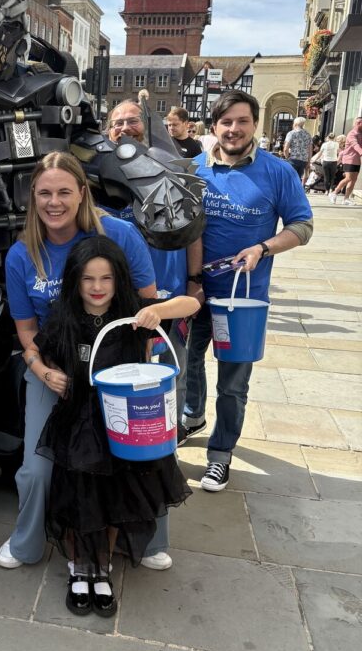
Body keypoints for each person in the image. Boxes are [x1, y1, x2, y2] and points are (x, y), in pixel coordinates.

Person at [0, 151, 157, 571]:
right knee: (36, 469)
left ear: (82, 193)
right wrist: (43, 371)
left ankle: (149, 538)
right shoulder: (21, 255)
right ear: (32, 197)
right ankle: (27, 542)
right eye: (45, 193)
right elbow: (26, 330)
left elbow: (147, 305)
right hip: (54, 371)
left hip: (114, 369)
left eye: (64, 191)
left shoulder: (119, 235)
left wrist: (136, 376)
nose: (55, 202)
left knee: (139, 453)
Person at [35, 236, 198, 615]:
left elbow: (191, 303)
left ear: (117, 279)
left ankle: (103, 565)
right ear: (75, 281)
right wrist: (48, 372)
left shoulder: (131, 314)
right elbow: (39, 347)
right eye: (88, 279)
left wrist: (158, 311)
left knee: (115, 495)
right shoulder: (65, 316)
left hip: (123, 423)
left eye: (105, 279)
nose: (96, 287)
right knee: (78, 494)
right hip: (78, 420)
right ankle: (79, 566)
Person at [183, 90, 313, 491]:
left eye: (241, 121)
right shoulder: (193, 170)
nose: (234, 129)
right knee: (189, 361)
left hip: (243, 300)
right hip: (196, 289)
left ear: (254, 124)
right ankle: (193, 416)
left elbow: (302, 226)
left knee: (233, 383)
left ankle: (220, 454)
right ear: (214, 127)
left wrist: (263, 247)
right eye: (226, 122)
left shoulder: (277, 172)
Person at [105, 101, 203, 567]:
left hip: (165, 311)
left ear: (146, 128)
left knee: (159, 417)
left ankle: (152, 530)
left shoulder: (168, 164)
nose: (125, 127)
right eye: (117, 122)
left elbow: (196, 229)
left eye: (132, 121)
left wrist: (193, 282)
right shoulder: (100, 174)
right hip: (121, 320)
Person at [330, 114, 362, 205]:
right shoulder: (352, 134)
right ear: (359, 123)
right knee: (348, 178)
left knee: (354, 179)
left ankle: (346, 199)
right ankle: (334, 192)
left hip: (357, 160)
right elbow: (355, 145)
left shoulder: (361, 133)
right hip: (349, 159)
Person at [283, 116, 313, 183]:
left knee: (290, 178)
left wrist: (287, 156)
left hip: (293, 159)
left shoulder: (291, 133)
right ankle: (296, 192)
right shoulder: (308, 134)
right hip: (303, 160)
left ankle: (290, 192)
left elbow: (286, 148)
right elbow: (310, 150)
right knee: (298, 178)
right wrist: (309, 161)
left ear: (295, 124)